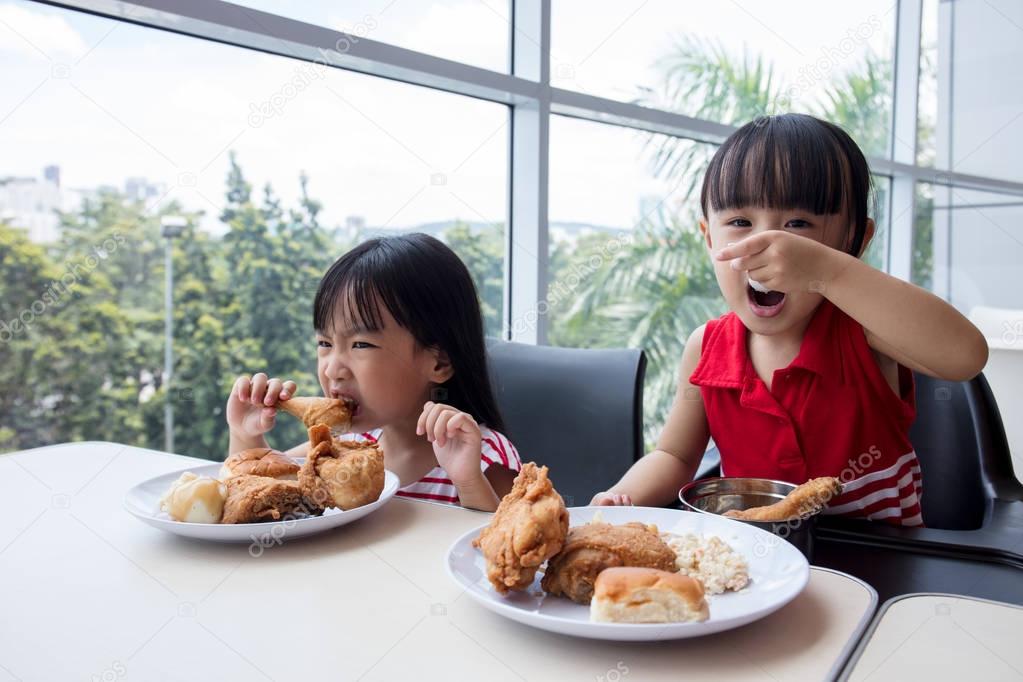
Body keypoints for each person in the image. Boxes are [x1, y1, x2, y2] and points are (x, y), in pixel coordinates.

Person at [591, 114, 988, 526]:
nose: (768, 247)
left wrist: (830, 272)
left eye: (798, 225)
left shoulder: (864, 329)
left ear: (854, 241)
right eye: (740, 223)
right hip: (754, 566)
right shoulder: (705, 347)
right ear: (709, 238)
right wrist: (622, 497)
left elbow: (964, 356)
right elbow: (674, 455)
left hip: (880, 564)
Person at [225, 233, 520, 511]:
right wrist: (246, 435)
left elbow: (506, 550)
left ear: (439, 362)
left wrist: (468, 481)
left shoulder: (479, 454)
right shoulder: (346, 448)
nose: (332, 369)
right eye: (325, 343)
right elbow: (254, 496)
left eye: (360, 344)